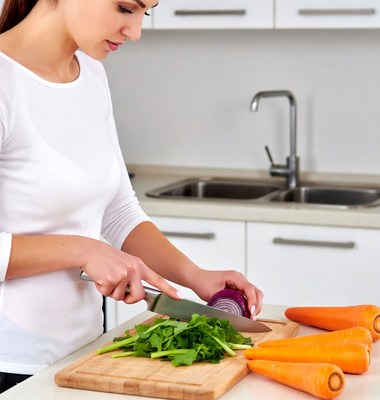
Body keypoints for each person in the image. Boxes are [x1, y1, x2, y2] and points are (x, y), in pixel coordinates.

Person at [0, 0, 263, 393]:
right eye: (125, 7)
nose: (136, 31)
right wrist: (82, 250)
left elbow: (119, 212)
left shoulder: (91, 75)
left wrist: (196, 277)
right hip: (11, 365)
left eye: (146, 12)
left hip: (85, 356)